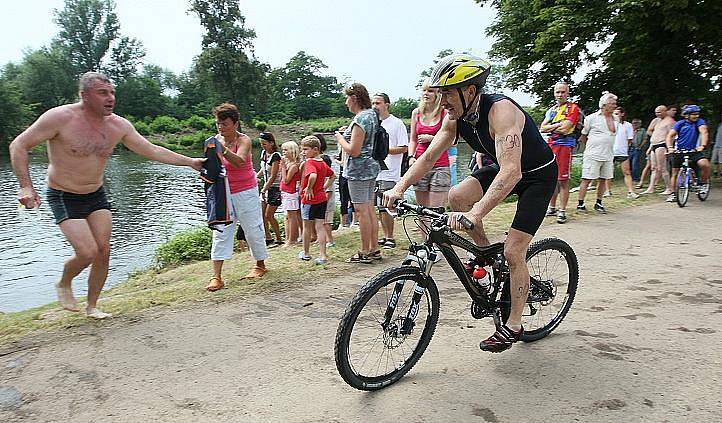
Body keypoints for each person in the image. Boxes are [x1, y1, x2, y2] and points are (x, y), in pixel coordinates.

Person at [383, 54, 557, 353]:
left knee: (514, 251)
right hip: (503, 170)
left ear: (470, 91)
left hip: (536, 176)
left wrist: (476, 213)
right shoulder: (456, 118)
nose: (443, 101)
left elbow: (512, 171)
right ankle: (486, 256)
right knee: (456, 196)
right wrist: (399, 188)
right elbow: (427, 157)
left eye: (448, 93)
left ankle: (513, 325)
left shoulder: (500, 112)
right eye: (440, 94)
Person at [9, 72, 204, 318]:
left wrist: (191, 162)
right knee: (87, 252)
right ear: (84, 96)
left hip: (95, 194)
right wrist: (26, 186)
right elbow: (19, 145)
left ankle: (92, 306)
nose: (110, 98)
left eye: (112, 92)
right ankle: (64, 282)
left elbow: (151, 149)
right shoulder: (60, 118)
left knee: (103, 250)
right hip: (63, 194)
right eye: (103, 93)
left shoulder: (118, 125)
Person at [206, 103, 269, 291]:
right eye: (218, 124)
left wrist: (222, 150)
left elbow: (240, 161)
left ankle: (260, 265)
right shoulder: (215, 140)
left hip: (246, 191)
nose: (220, 127)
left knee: (252, 229)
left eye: (224, 124)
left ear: (235, 123)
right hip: (223, 192)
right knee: (220, 231)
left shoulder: (244, 140)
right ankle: (216, 276)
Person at [335, 83, 381, 264]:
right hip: (371, 168)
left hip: (358, 171)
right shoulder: (372, 115)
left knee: (361, 211)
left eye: (347, 98)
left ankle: (365, 251)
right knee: (369, 209)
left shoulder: (360, 120)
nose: (346, 103)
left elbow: (354, 150)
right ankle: (374, 248)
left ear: (354, 98)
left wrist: (339, 138)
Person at [539, 82, 581, 224]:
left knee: (563, 180)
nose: (560, 95)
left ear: (568, 93)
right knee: (551, 178)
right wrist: (558, 125)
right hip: (551, 146)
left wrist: (551, 127)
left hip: (565, 146)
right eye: (557, 92)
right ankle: (552, 207)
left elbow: (566, 129)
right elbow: (542, 128)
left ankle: (562, 211)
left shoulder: (573, 108)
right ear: (554, 93)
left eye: (563, 92)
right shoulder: (552, 110)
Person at [372, 92, 409, 249]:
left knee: (387, 204)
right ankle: (385, 235)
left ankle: (390, 237)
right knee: (379, 206)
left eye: (378, 103)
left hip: (390, 171)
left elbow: (404, 147)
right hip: (375, 170)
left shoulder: (396, 123)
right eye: (373, 103)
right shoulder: (373, 123)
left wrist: (383, 150)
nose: (375, 106)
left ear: (387, 105)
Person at [408, 79, 451, 209]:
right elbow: (413, 139)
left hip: (440, 165)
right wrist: (411, 156)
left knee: (436, 210)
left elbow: (452, 142)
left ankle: (436, 230)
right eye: (424, 90)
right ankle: (422, 231)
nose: (426, 94)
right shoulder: (416, 113)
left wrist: (432, 138)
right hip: (419, 163)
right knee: (421, 210)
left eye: (430, 91)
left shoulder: (445, 113)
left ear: (438, 93)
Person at [576, 93, 619, 213]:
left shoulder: (616, 119)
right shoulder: (591, 118)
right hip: (593, 154)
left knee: (604, 178)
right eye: (612, 104)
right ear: (604, 105)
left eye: (615, 104)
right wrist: (591, 147)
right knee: (587, 178)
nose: (614, 106)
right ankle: (580, 203)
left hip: (609, 154)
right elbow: (584, 135)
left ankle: (599, 202)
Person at [298, 136, 335, 265]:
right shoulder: (322, 163)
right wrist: (323, 187)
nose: (303, 152)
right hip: (321, 199)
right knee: (320, 226)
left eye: (305, 149)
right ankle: (323, 255)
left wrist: (309, 188)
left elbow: (312, 175)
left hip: (309, 200)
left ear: (315, 149)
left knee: (307, 227)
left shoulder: (310, 162)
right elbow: (333, 175)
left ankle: (306, 253)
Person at [666, 104, 710, 201]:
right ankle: (673, 194)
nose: (696, 116)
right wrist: (670, 148)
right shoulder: (680, 123)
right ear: (686, 115)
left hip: (694, 151)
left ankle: (703, 184)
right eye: (693, 114)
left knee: (705, 164)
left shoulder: (699, 122)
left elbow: (704, 132)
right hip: (679, 151)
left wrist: (702, 145)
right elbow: (670, 136)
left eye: (697, 114)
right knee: (675, 173)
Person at [642, 105, 677, 195]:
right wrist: (650, 147)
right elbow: (654, 134)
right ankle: (651, 188)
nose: (657, 114)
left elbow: (672, 135)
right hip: (654, 144)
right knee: (654, 168)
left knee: (662, 168)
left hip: (662, 145)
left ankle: (669, 188)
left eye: (659, 112)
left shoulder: (670, 121)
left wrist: (668, 147)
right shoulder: (657, 121)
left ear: (665, 111)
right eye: (656, 112)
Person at [257, 131, 283, 247]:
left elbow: (273, 175)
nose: (263, 146)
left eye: (265, 144)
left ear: (271, 143)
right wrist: (255, 177)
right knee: (261, 214)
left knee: (269, 215)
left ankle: (279, 238)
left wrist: (264, 189)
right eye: (261, 144)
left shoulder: (276, 156)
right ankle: (267, 237)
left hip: (275, 188)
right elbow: (263, 169)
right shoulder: (263, 153)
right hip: (266, 187)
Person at [611, 107, 639, 198]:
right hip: (610, 151)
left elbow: (629, 139)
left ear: (622, 114)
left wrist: (624, 147)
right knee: (607, 172)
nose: (615, 115)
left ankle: (630, 192)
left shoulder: (627, 125)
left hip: (622, 152)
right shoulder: (610, 124)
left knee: (627, 172)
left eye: (617, 113)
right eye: (614, 114)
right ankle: (607, 191)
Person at [315, 133, 336, 248]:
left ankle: (330, 241)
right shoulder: (323, 178)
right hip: (324, 203)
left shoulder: (328, 178)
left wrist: (323, 203)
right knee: (323, 222)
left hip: (327, 204)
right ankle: (324, 239)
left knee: (327, 223)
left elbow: (329, 193)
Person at [280, 140, 302, 247]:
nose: (283, 152)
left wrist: (283, 168)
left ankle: (292, 239)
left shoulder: (293, 165)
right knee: (288, 216)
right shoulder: (289, 163)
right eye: (283, 150)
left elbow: (286, 180)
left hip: (291, 192)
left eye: (286, 150)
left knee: (291, 216)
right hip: (286, 192)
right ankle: (289, 238)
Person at [629, 118, 648, 185]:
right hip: (629, 148)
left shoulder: (642, 130)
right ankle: (629, 177)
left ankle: (635, 178)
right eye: (633, 123)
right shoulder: (630, 130)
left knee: (635, 164)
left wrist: (640, 146)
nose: (635, 124)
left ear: (640, 124)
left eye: (636, 123)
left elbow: (645, 139)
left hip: (637, 148)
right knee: (629, 164)